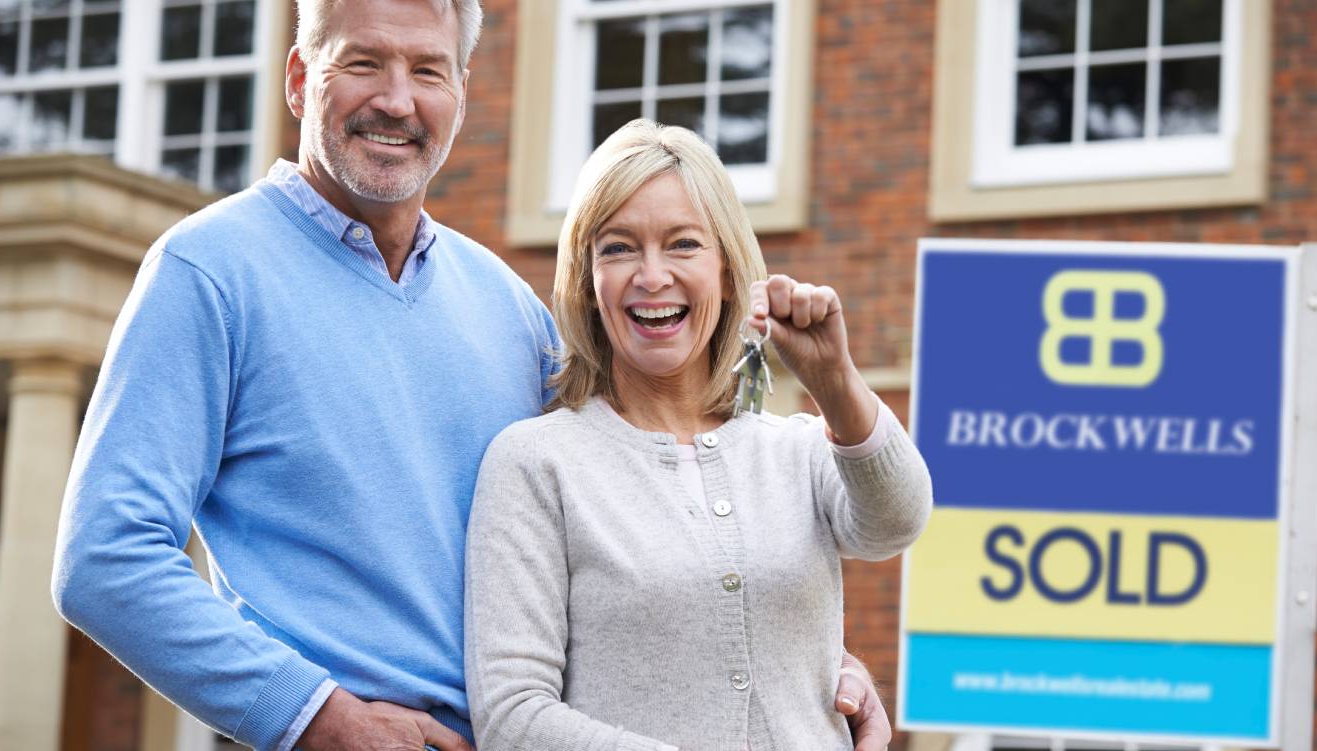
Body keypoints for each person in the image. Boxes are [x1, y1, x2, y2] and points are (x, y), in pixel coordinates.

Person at [50, 2, 894, 749]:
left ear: (460, 95)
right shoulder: (208, 273)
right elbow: (104, 557)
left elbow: (647, 519)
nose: (396, 99)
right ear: (302, 79)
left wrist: (788, 645)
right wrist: (315, 716)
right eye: (362, 63)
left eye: (427, 70)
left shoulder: (502, 302)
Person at [464, 120, 933, 749]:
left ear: (728, 269)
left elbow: (896, 521)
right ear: (587, 279)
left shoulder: (795, 450)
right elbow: (512, 715)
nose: (651, 275)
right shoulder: (536, 462)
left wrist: (836, 381)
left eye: (683, 244)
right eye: (619, 247)